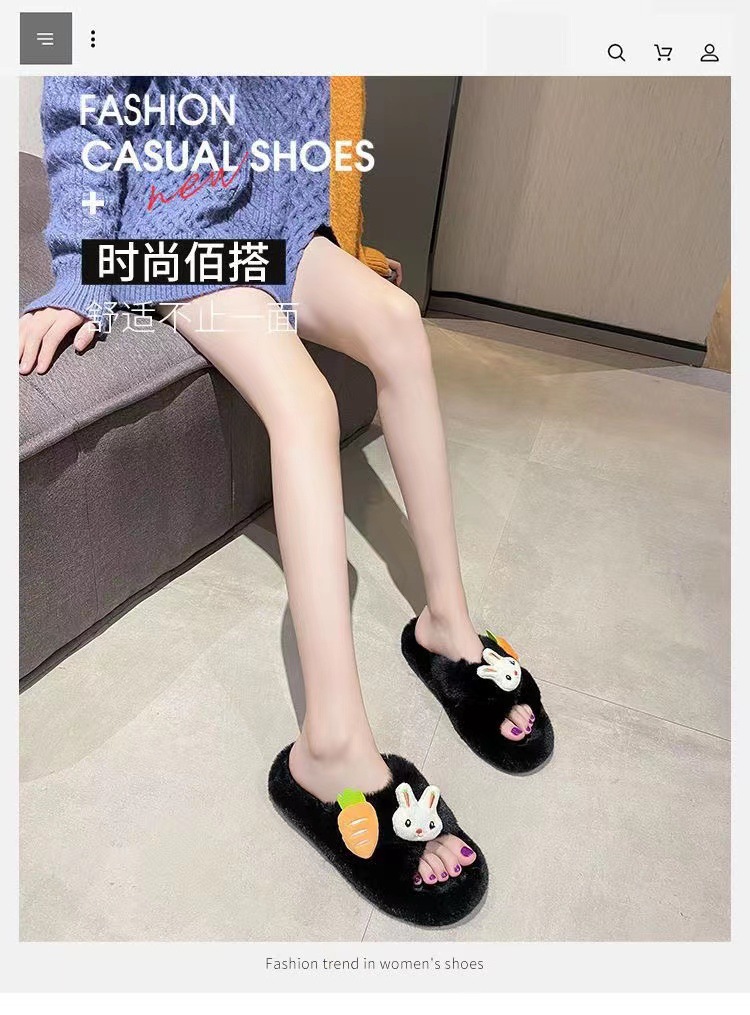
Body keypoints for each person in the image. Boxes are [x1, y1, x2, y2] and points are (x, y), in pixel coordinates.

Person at [18, 76, 553, 926]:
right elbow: (85, 104)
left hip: (275, 224)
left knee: (398, 322)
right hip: (167, 233)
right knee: (303, 406)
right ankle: (329, 747)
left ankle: (447, 625)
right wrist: (81, 270)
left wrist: (324, 237)